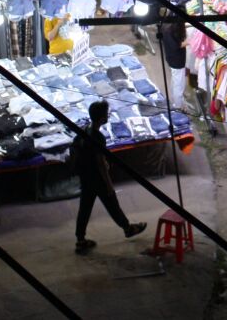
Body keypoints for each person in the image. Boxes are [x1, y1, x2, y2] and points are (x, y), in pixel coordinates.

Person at [73, 100, 146, 253]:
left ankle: (80, 240)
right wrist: (109, 185)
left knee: (84, 209)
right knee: (112, 203)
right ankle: (128, 228)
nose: (108, 116)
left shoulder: (84, 130)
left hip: (86, 177)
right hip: (97, 178)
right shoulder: (98, 137)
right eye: (106, 114)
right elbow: (100, 163)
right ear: (101, 118)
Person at [157, 16, 188, 110]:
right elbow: (176, 46)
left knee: (175, 80)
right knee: (179, 83)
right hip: (177, 60)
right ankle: (178, 106)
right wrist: (189, 42)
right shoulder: (171, 32)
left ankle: (175, 100)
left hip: (172, 58)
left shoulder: (167, 27)